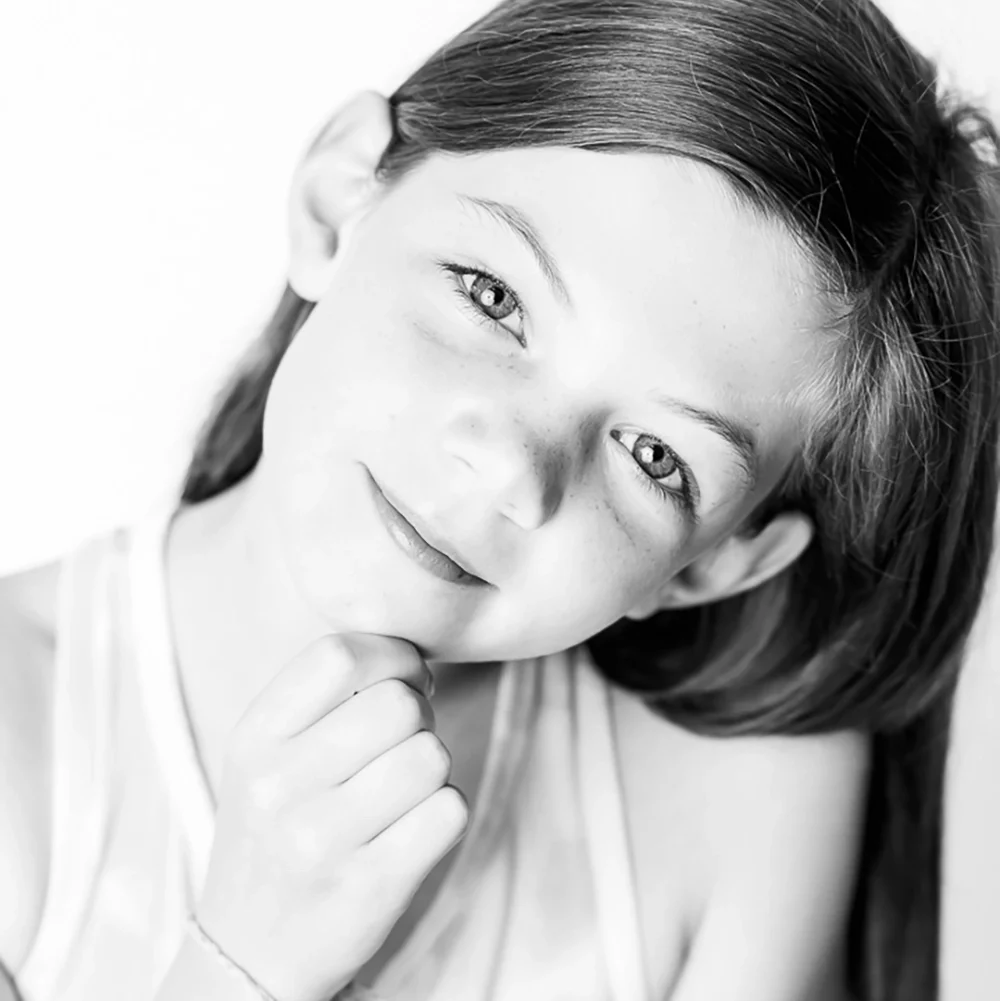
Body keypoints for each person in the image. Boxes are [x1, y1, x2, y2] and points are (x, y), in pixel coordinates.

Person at [1, 0, 998, 999]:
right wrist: (243, 965)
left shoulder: (735, 804)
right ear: (339, 200)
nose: (514, 465)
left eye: (654, 455)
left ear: (708, 562)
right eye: (491, 294)